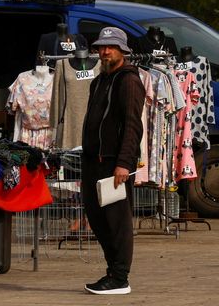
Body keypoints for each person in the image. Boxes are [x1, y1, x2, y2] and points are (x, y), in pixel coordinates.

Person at [81, 27, 145, 295]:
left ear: (123, 50)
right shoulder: (99, 81)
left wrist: (124, 163)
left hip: (113, 164)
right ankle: (112, 272)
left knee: (116, 221)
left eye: (111, 47)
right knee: (97, 218)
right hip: (92, 161)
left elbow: (132, 125)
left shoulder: (129, 81)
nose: (104, 51)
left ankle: (120, 278)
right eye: (101, 47)